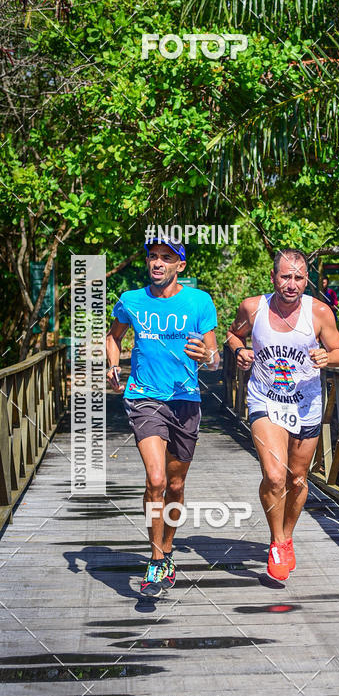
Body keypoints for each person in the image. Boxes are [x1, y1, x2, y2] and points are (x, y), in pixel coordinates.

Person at [106, 239, 219, 598]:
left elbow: (215, 358)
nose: (157, 263)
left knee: (175, 486)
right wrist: (112, 363)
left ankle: (167, 548)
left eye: (166, 258)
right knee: (155, 479)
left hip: (185, 400)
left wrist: (207, 356)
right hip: (144, 397)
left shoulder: (199, 302)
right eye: (153, 256)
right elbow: (114, 336)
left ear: (180, 266)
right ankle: (156, 559)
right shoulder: (130, 299)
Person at [227, 249, 339, 581]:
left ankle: (288, 535)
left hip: (305, 403)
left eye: (298, 277)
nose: (291, 284)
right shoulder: (254, 308)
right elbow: (232, 334)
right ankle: (277, 542)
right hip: (265, 399)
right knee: (275, 476)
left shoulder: (319, 312)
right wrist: (240, 350)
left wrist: (327, 358)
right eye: (285, 276)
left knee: (297, 479)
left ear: (306, 279)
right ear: (273, 277)